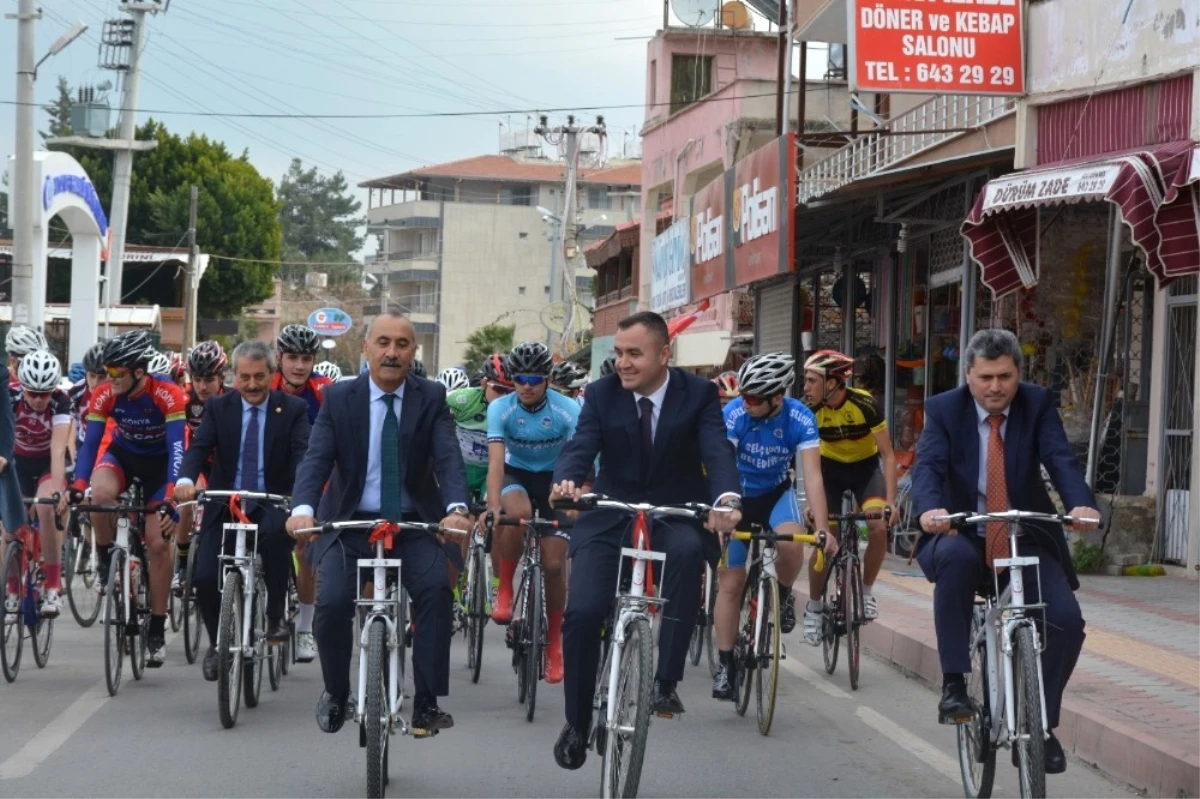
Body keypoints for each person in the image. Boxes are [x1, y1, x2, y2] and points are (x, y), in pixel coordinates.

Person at [549, 311, 742, 771]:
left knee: (689, 553)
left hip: (675, 510)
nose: (623, 363)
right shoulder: (600, 394)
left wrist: (726, 499)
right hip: (611, 511)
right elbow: (581, 445)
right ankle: (576, 722)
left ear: (663, 354)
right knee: (583, 611)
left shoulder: (698, 394)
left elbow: (716, 448)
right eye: (618, 353)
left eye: (634, 353)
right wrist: (568, 482)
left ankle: (665, 681)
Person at [910, 328, 1100, 776]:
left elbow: (1060, 458)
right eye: (985, 377)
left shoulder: (1037, 404)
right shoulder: (943, 410)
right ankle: (955, 683)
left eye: (1005, 376)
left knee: (1067, 622)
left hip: (1023, 534)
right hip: (962, 530)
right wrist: (930, 510)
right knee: (954, 560)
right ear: (969, 376)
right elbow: (929, 465)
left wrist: (1080, 504)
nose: (995, 387)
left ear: (1019, 374)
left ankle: (1041, 725)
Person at [286, 311, 471, 736]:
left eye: (402, 344)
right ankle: (335, 692)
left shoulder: (431, 397)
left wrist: (457, 506)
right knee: (331, 604)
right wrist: (302, 508)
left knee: (437, 591)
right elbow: (316, 460)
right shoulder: (338, 399)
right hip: (348, 523)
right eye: (383, 343)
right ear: (366, 348)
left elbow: (448, 457)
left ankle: (426, 700)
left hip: (411, 522)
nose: (392, 352)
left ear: (413, 352)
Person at [175, 341, 311, 681]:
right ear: (234, 377)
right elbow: (200, 446)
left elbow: (303, 455)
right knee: (206, 576)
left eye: (260, 377)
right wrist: (187, 478)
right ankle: (217, 643)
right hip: (225, 499)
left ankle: (275, 614)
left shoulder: (292, 408)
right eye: (245, 377)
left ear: (272, 374)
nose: (252, 385)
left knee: (274, 537)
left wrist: (300, 497)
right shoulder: (220, 407)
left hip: (271, 498)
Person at [711, 353, 834, 700]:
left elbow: (812, 475)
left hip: (776, 494)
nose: (744, 403)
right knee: (731, 582)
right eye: (743, 396)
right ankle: (725, 665)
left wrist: (822, 527)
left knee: (794, 543)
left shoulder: (800, 417)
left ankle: (780, 596)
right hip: (738, 496)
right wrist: (723, 508)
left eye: (753, 398)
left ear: (778, 397)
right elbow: (722, 464)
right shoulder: (735, 413)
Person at [72, 330, 188, 666]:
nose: (108, 379)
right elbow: (92, 444)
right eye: (106, 372)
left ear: (139, 371)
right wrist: (78, 485)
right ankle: (108, 557)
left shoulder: (167, 394)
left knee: (156, 543)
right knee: (100, 493)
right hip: (123, 456)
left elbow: (177, 448)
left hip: (160, 466)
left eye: (115, 372)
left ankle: (155, 626)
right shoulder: (106, 394)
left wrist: (169, 496)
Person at [485, 340, 580, 685]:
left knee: (554, 566)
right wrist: (493, 506)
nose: (526, 385)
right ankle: (506, 589)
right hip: (518, 476)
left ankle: (555, 643)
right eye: (520, 378)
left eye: (535, 379)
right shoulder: (502, 409)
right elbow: (496, 464)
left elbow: (583, 459)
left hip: (558, 480)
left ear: (548, 379)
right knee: (516, 513)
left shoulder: (568, 409)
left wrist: (580, 496)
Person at [801, 349, 898, 635]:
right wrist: (809, 503)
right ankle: (815, 607)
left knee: (878, 526)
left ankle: (866, 592)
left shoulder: (864, 404)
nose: (805, 388)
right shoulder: (810, 411)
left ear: (831, 383)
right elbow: (808, 465)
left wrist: (891, 502)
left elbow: (889, 456)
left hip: (864, 471)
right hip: (828, 471)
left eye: (811, 381)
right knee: (824, 536)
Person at [272, 323, 333, 664]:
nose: (299, 365)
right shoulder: (266, 386)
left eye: (306, 359)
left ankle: (306, 628)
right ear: (279, 358)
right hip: (273, 475)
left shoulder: (324, 391)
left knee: (305, 546)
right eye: (292, 357)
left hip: (312, 480)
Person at [9, 350, 72, 617]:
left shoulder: (61, 402)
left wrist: (58, 491)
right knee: (8, 528)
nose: (37, 399)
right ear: (21, 387)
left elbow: (58, 449)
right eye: (32, 393)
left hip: (48, 463)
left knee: (47, 508)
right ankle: (11, 589)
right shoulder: (9, 398)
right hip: (17, 464)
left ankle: (53, 588)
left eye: (44, 394)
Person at [173, 341, 228, 595]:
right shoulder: (185, 402)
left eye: (209, 379)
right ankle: (183, 564)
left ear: (221, 377)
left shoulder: (233, 400)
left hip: (225, 465)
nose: (203, 387)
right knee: (187, 503)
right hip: (198, 463)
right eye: (197, 379)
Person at [446, 353, 513, 502]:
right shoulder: (461, 400)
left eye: (510, 391)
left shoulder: (516, 407)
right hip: (461, 468)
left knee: (491, 511)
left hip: (491, 472)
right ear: (484, 384)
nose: (504, 397)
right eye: (499, 389)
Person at [67, 343, 107, 462]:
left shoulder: (118, 392)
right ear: (86, 373)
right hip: (85, 442)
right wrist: (72, 455)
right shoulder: (75, 392)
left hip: (110, 445)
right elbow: (70, 426)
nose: (95, 383)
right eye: (92, 376)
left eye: (101, 377)